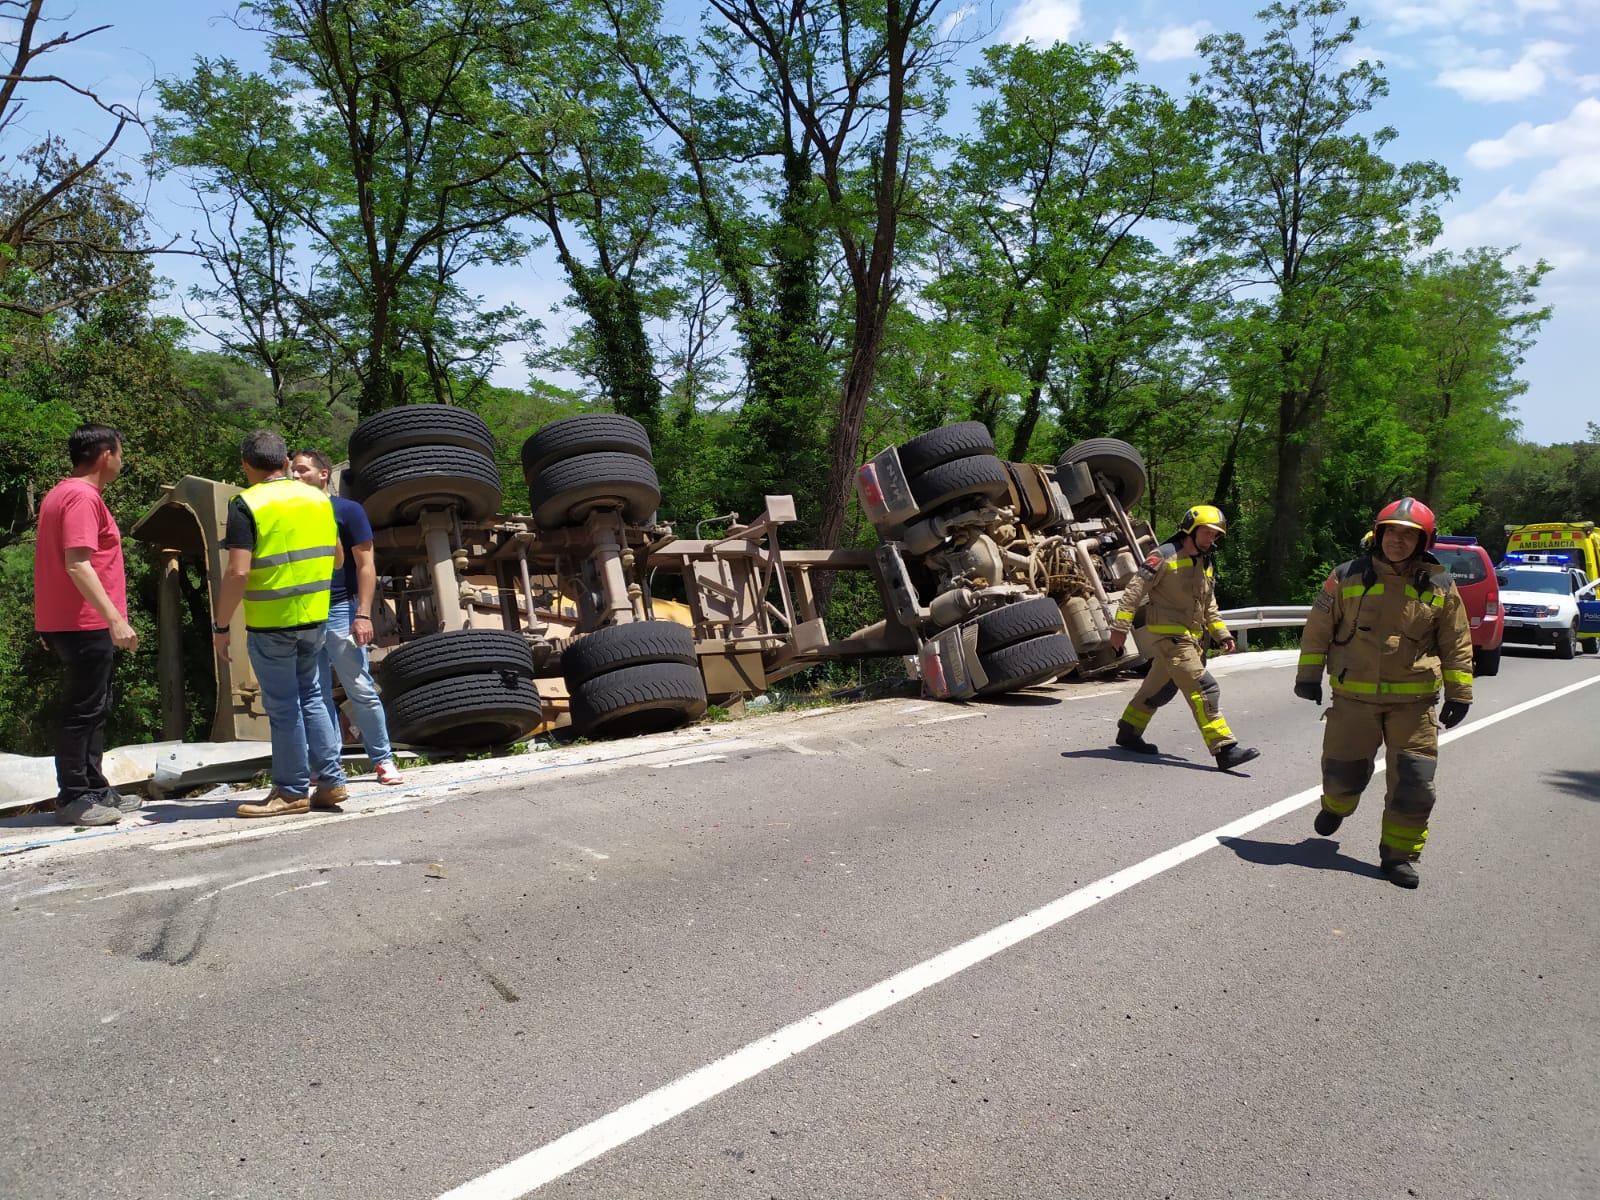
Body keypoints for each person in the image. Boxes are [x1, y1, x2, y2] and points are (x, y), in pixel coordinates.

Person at [1294, 497, 1473, 889]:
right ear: (1378, 534)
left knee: (1414, 783)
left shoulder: (1441, 585)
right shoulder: (1346, 576)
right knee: (1343, 775)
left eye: (1409, 535)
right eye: (1391, 531)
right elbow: (1318, 627)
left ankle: (1398, 857)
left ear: (1423, 541)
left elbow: (1456, 641)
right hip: (1354, 701)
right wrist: (1308, 674)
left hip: (1415, 704)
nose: (1398, 541)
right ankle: (1335, 806)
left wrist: (1460, 693)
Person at [212, 430, 350, 819]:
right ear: (286, 462)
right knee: (314, 697)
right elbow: (338, 559)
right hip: (314, 617)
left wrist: (221, 626)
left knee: (284, 706)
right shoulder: (319, 499)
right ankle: (331, 780)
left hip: (271, 623)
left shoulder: (246, 505)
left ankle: (290, 791)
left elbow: (237, 573)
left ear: (246, 465)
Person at [34, 424, 141, 827]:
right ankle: (74, 795)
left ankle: (95, 787)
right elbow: (77, 563)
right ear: (104, 455)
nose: (121, 460)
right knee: (83, 710)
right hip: (85, 622)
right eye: (120, 452)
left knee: (96, 706)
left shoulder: (63, 493)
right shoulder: (80, 496)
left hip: (72, 620)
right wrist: (115, 619)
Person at [1108, 504, 1260, 772]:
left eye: (1215, 535)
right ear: (1191, 529)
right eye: (1208, 533)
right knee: (1205, 688)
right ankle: (1225, 748)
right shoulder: (1162, 556)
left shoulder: (1205, 562)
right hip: (1170, 636)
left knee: (1158, 690)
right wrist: (1120, 628)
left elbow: (1208, 604)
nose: (1212, 539)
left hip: (1192, 637)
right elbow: (1134, 590)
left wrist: (1222, 633)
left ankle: (1129, 730)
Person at [289, 448, 404, 786]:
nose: (296, 476)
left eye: (303, 470)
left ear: (324, 474)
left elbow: (366, 565)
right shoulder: (290, 513)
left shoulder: (348, 511)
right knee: (314, 693)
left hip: (341, 608)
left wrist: (364, 614)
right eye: (292, 471)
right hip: (303, 612)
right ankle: (326, 766)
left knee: (359, 687)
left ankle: (383, 759)